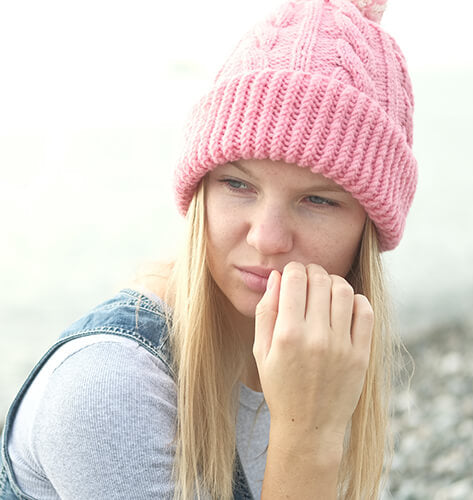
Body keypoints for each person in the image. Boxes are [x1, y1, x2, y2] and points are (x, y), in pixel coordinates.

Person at [0, 0, 417, 498]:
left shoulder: (311, 354)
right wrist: (308, 435)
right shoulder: (110, 388)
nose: (267, 237)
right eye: (238, 185)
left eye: (318, 200)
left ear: (366, 231)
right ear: (199, 191)